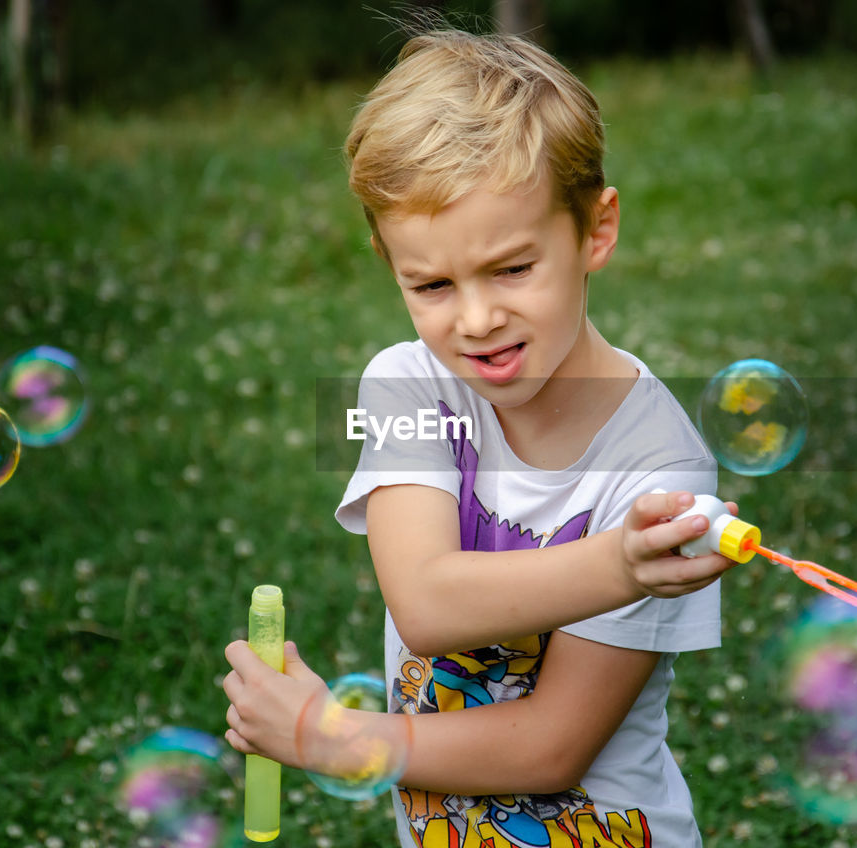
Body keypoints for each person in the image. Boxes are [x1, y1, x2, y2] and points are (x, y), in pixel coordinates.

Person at [223, 28, 742, 847]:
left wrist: (335, 740)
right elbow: (424, 599)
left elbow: (549, 748)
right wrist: (614, 567)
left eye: (511, 268)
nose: (475, 320)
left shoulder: (660, 471)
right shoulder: (407, 385)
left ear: (594, 231)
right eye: (430, 284)